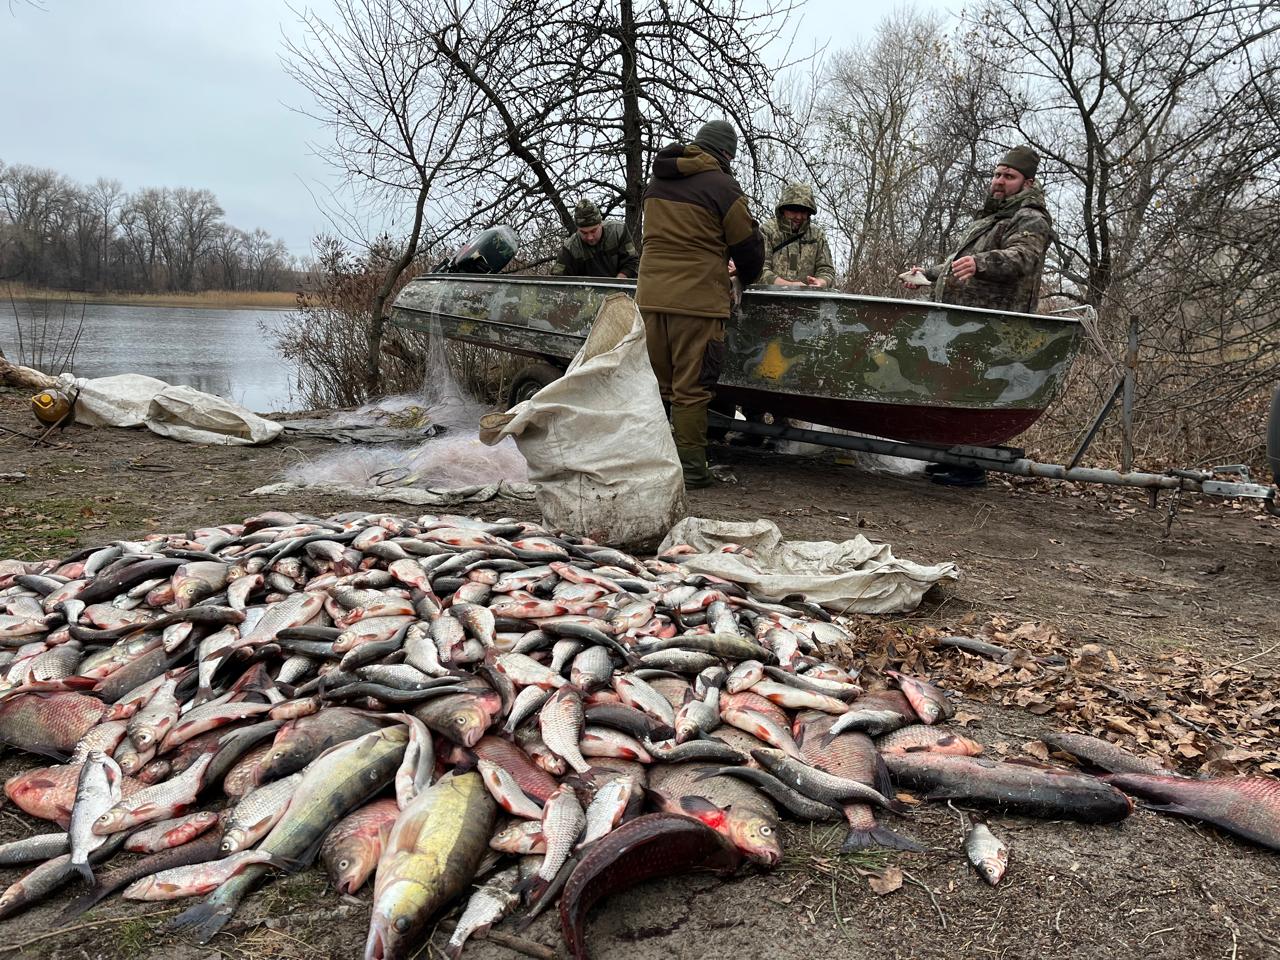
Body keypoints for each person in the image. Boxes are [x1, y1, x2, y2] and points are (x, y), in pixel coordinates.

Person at [903, 144, 1054, 488]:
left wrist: (982, 263)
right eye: (998, 174)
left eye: (1009, 176)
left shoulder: (1030, 217)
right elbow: (961, 262)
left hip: (996, 325)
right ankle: (954, 457)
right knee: (957, 389)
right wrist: (928, 274)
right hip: (967, 325)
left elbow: (1023, 257)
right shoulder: (993, 217)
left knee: (980, 393)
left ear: (1027, 183)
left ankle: (970, 467)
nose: (1000, 181)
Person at [635, 120, 764, 489]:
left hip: (651, 298)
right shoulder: (722, 186)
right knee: (691, 390)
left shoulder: (657, 182)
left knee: (658, 387)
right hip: (697, 303)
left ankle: (650, 464)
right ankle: (691, 470)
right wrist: (745, 276)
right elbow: (748, 247)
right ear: (726, 154)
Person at [757, 182, 837, 289]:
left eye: (804, 212)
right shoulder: (767, 231)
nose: (799, 217)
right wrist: (789, 286)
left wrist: (821, 282)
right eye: (794, 210)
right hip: (770, 298)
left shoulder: (816, 235)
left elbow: (826, 269)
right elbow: (759, 270)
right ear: (783, 209)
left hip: (807, 300)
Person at [550, 199, 639, 279]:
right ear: (577, 229)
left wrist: (619, 281)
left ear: (600, 223)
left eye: (593, 231)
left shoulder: (618, 231)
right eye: (584, 233)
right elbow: (557, 279)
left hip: (621, 291)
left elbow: (632, 261)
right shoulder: (570, 248)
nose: (590, 237)